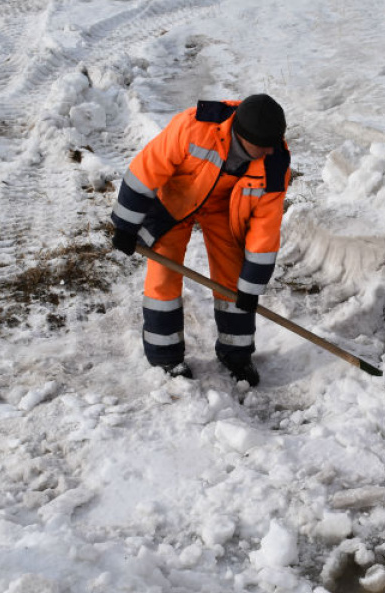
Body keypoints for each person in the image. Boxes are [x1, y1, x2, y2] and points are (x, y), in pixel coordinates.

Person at [110, 94, 291, 386]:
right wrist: (125, 226)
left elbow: (265, 230)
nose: (271, 149)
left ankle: (236, 354)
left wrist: (251, 286)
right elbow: (145, 171)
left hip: (226, 208)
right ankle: (165, 356)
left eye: (275, 141)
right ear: (242, 136)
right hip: (178, 197)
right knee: (163, 273)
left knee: (234, 280)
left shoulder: (273, 165)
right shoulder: (193, 127)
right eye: (264, 144)